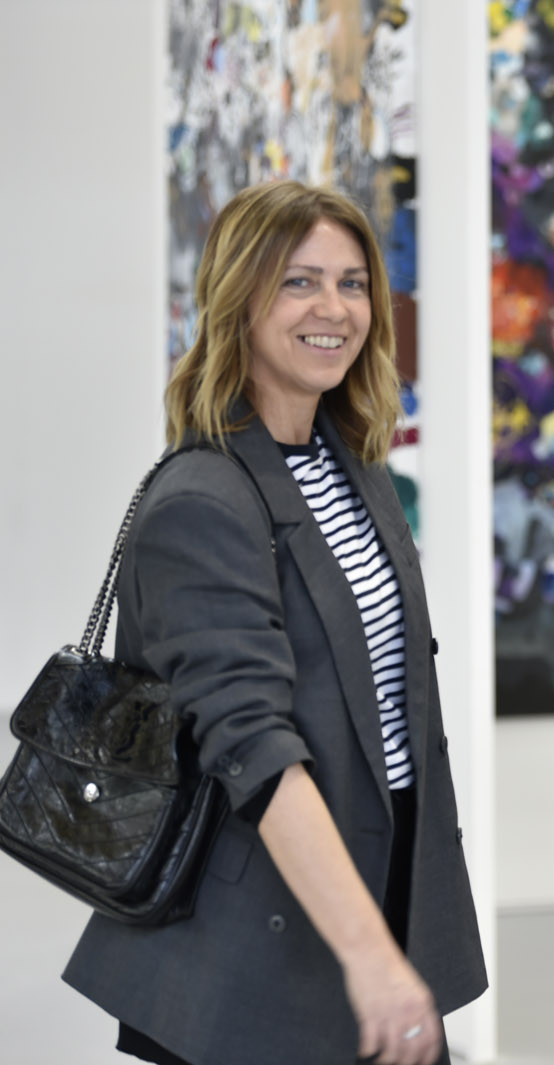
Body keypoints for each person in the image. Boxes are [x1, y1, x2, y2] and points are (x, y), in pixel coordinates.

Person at [63, 181, 487, 1065]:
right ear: (240, 300)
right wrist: (370, 957)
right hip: (255, 958)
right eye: (300, 281)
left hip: (381, 898)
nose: (335, 308)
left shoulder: (355, 467)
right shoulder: (203, 499)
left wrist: (392, 944)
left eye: (352, 282)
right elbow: (253, 748)